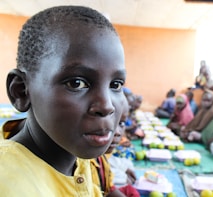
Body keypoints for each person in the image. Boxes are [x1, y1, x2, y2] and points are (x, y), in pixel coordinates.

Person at [0, 6, 127, 196]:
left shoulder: (75, 153)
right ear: (21, 91)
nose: (107, 106)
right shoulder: (9, 185)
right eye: (77, 83)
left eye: (115, 85)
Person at [95, 99, 139, 197]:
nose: (118, 132)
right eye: (110, 121)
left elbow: (108, 188)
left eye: (121, 124)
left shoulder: (100, 159)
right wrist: (123, 177)